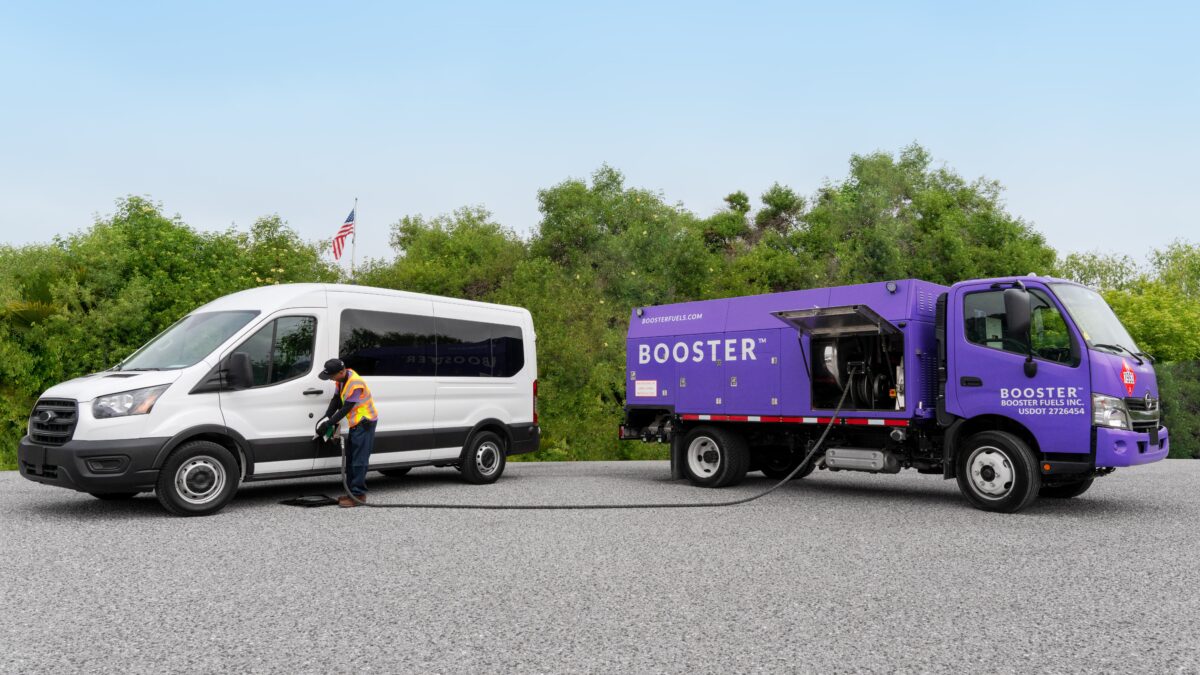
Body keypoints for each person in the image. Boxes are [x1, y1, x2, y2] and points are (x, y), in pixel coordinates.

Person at [315, 358, 378, 507]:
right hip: (356, 423)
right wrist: (326, 417)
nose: (330, 379)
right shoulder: (341, 380)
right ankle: (352, 492)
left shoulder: (355, 383)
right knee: (350, 459)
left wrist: (329, 424)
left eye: (331, 376)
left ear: (341, 372)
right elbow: (336, 400)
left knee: (359, 461)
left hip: (365, 422)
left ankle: (358, 495)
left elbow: (346, 408)